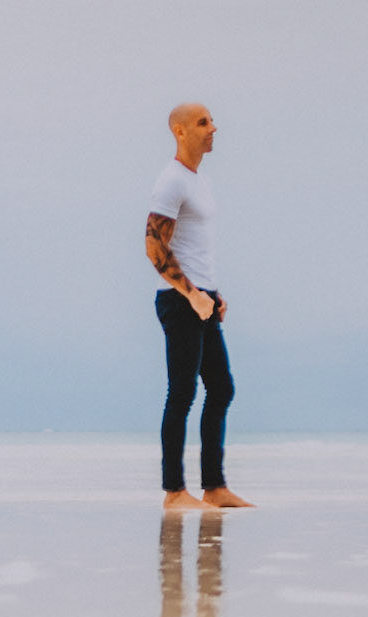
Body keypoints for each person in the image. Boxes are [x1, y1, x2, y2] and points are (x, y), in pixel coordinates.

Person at [145, 104, 252, 513]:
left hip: (200, 299)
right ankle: (174, 493)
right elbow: (154, 246)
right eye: (203, 123)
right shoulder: (171, 182)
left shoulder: (198, 181)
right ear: (180, 131)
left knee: (221, 389)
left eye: (211, 121)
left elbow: (192, 248)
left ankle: (214, 488)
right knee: (183, 393)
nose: (213, 128)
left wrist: (212, 293)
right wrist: (191, 294)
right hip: (179, 301)